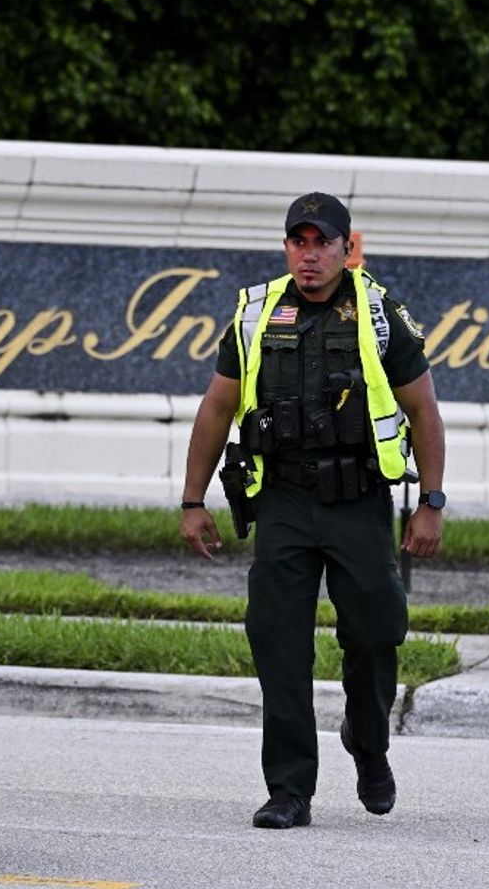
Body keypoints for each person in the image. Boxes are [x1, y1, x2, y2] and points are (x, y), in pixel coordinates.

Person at [179, 191, 446, 830]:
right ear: (286, 248)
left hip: (359, 500)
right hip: (284, 500)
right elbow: (217, 407)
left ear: (345, 249)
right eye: (298, 242)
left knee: (377, 633)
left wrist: (431, 503)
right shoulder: (255, 313)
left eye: (322, 242)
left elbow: (423, 410)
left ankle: (368, 741)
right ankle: (289, 790)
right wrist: (192, 499)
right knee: (278, 641)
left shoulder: (380, 315)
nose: (309, 255)